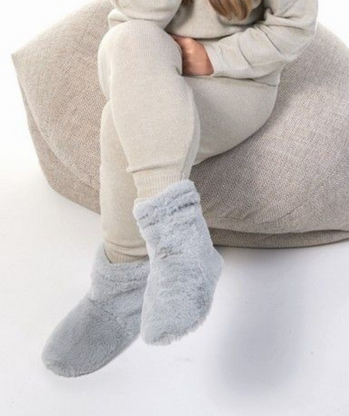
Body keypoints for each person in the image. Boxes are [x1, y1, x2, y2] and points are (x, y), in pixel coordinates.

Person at [42, 0, 319, 377]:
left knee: (121, 128)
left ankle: (122, 283)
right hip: (138, 61)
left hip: (230, 83)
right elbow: (139, 19)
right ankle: (180, 244)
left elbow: (294, 28)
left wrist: (213, 57)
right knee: (132, 38)